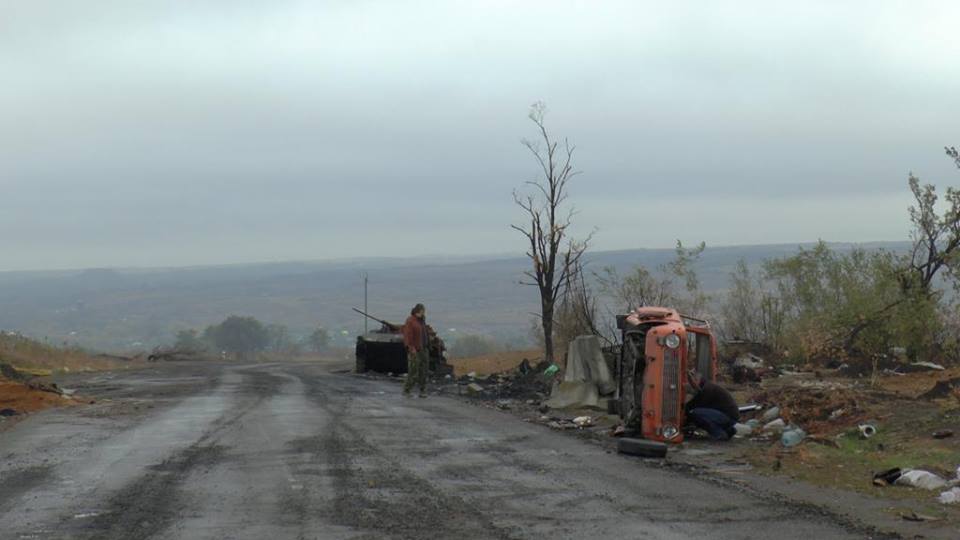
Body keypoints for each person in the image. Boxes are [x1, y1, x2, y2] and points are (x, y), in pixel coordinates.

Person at [684, 369, 739, 441]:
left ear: (697, 379)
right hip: (729, 416)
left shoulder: (708, 389)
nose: (691, 385)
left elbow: (697, 404)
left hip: (728, 416)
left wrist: (685, 412)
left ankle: (720, 434)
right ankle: (729, 430)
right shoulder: (706, 387)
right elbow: (695, 402)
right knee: (699, 414)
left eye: (692, 381)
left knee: (696, 413)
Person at [402, 303, 429, 398]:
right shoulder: (411, 321)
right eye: (422, 311)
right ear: (417, 311)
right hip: (414, 349)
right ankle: (407, 390)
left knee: (423, 370)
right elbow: (408, 336)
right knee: (414, 371)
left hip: (423, 349)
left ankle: (422, 390)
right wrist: (410, 348)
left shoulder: (422, 321)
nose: (423, 313)